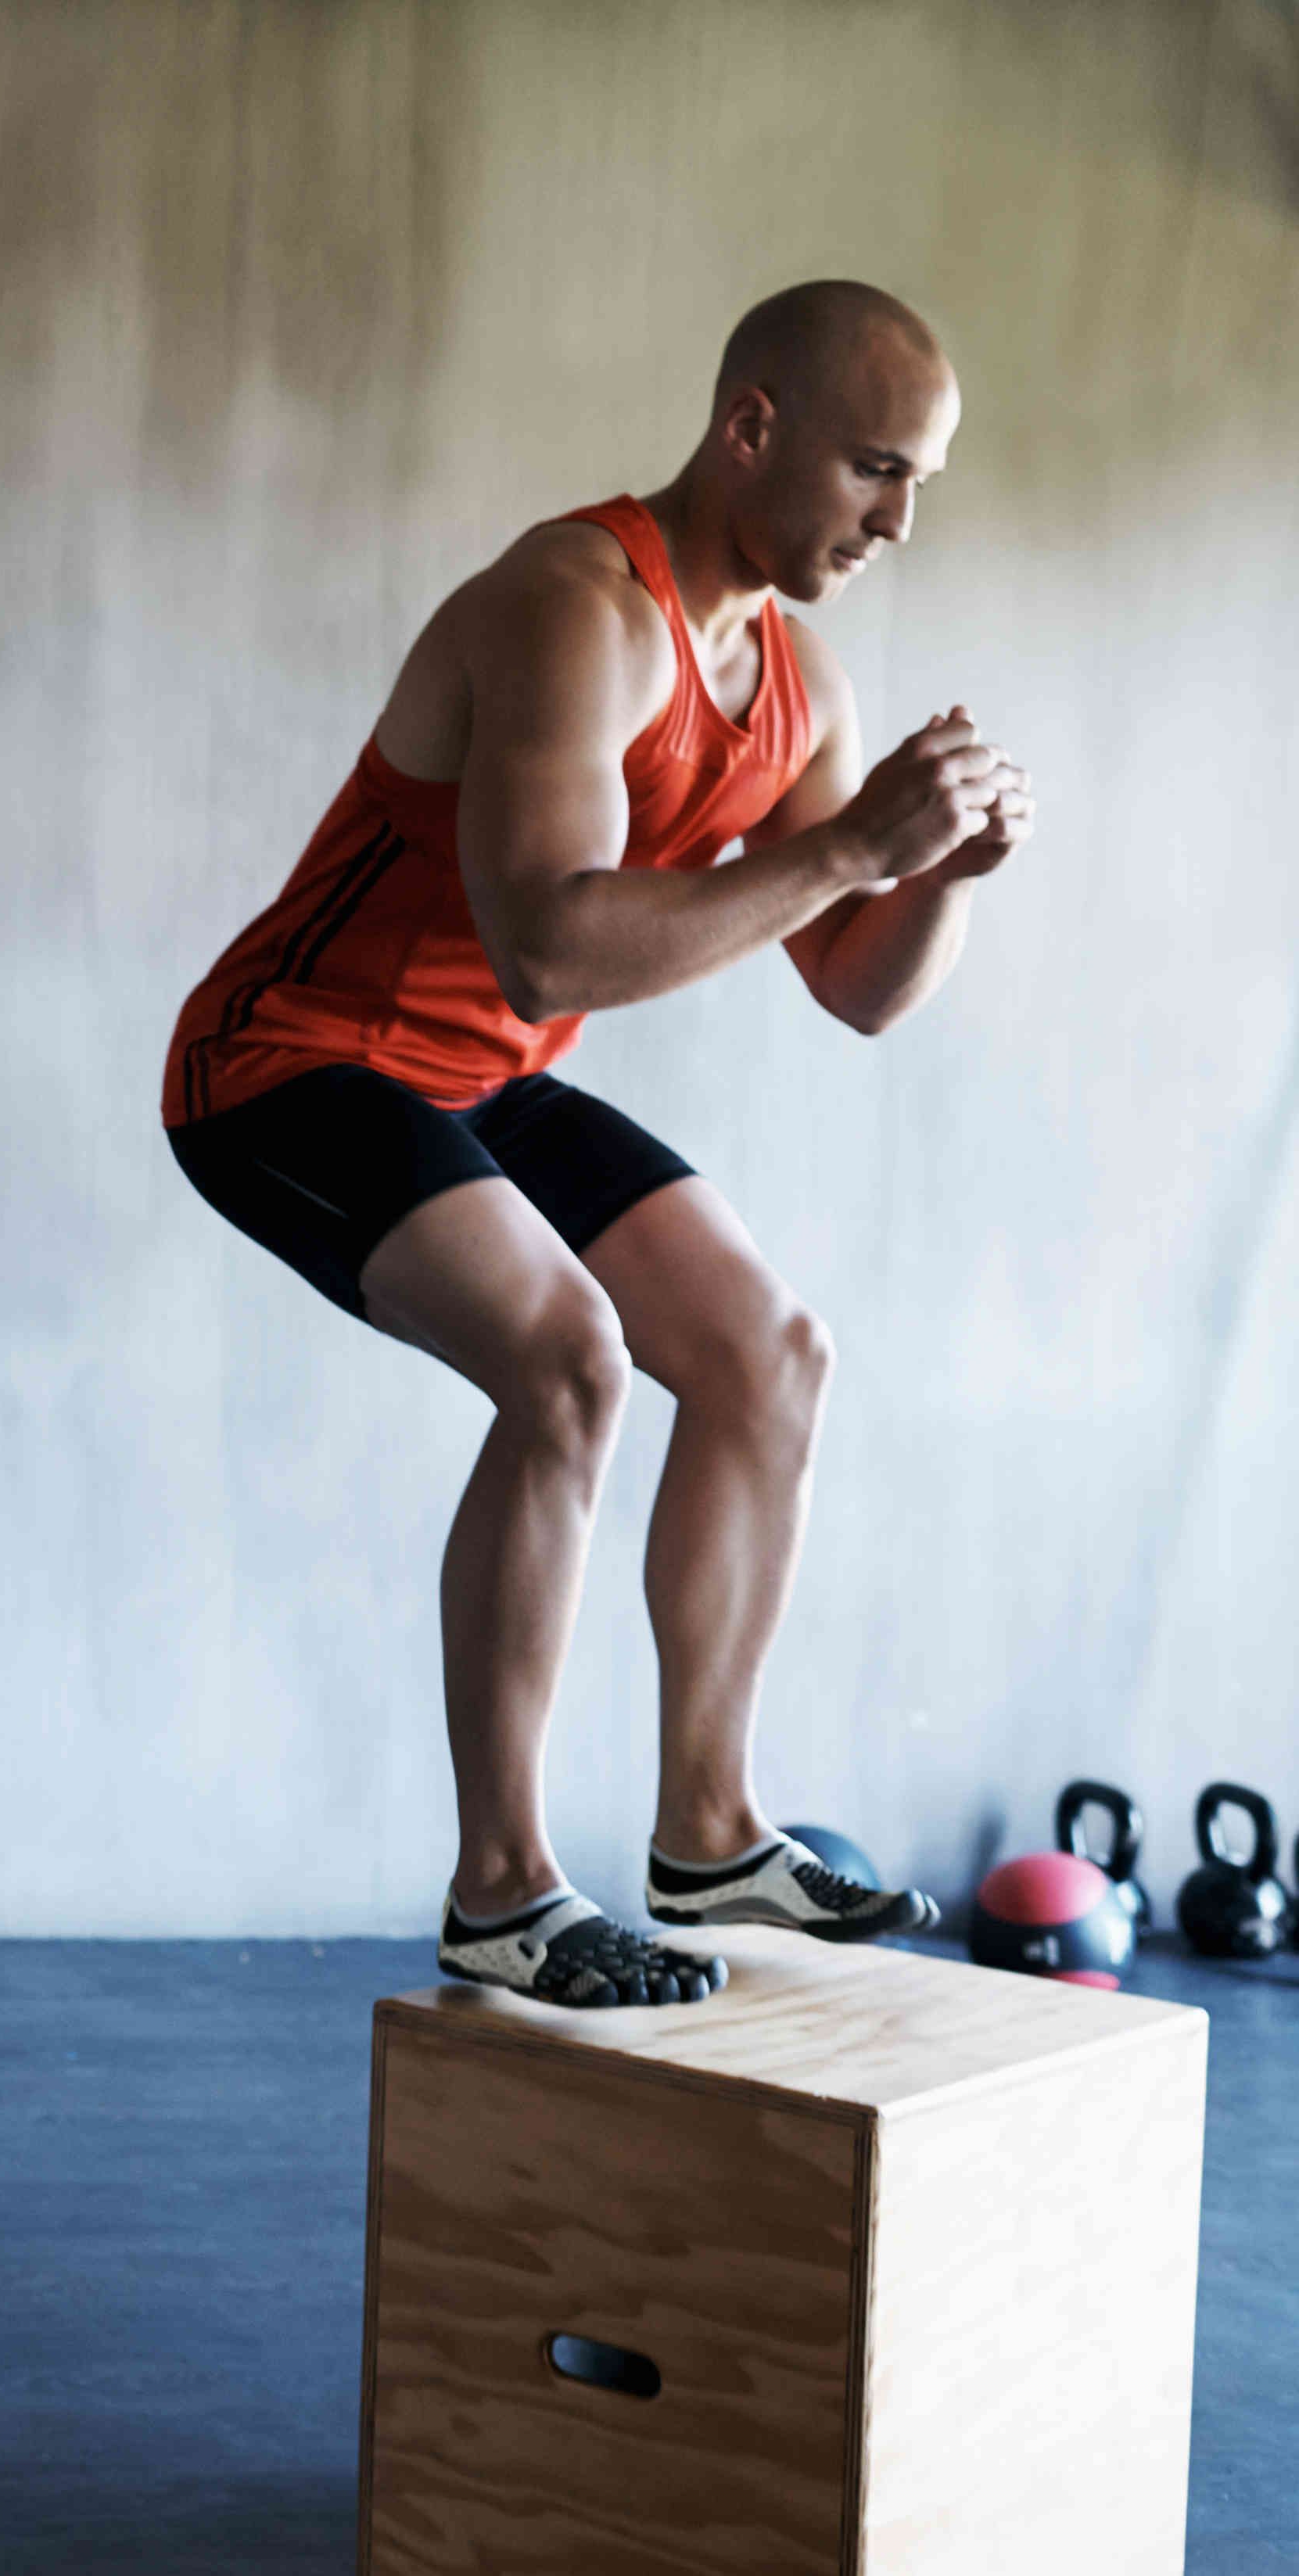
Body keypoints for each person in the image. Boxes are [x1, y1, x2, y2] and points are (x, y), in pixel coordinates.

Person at [163, 281, 1029, 2009]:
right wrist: (852, 850)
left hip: (476, 1076)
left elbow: (853, 992)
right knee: (568, 1363)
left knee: (769, 1353)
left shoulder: (794, 683)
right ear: (751, 426)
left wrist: (929, 871)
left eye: (917, 482)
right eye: (872, 469)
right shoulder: (571, 608)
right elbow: (544, 946)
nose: (896, 521)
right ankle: (501, 1888)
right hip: (286, 1060)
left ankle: (706, 1827)